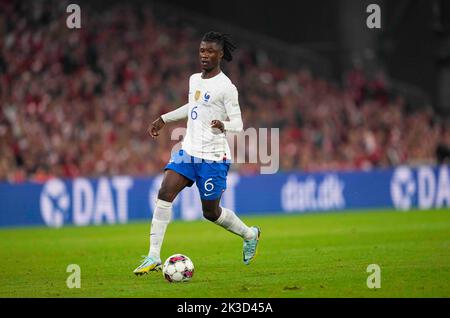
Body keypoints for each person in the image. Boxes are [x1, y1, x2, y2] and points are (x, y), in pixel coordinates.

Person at [133, 31, 261, 275]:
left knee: (210, 212)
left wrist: (225, 126)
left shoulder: (226, 88)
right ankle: (153, 256)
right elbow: (194, 106)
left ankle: (249, 234)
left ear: (220, 54)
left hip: (213, 158)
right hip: (189, 151)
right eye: (202, 50)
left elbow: (239, 124)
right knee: (165, 191)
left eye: (210, 51)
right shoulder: (194, 79)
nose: (205, 55)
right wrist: (164, 118)